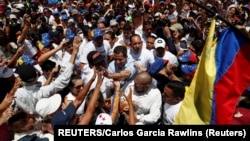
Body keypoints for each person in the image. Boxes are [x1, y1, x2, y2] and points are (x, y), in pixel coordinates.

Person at [14, 36, 82, 115]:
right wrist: (74, 52)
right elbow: (64, 79)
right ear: (37, 75)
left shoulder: (16, 94)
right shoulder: (43, 92)